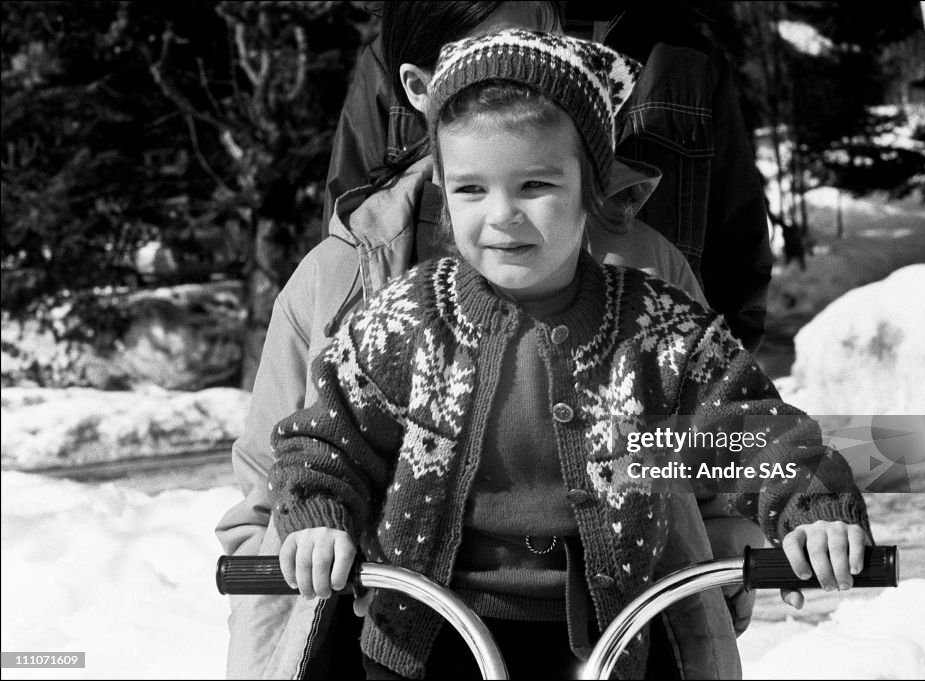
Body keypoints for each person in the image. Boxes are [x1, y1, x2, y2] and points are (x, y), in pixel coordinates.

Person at [267, 29, 872, 680]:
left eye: (535, 185)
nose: (502, 215)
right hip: (425, 634)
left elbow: (749, 428)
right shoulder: (409, 320)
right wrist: (321, 515)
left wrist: (811, 505)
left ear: (596, 187)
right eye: (471, 189)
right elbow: (330, 434)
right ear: (442, 186)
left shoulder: (656, 329)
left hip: (606, 636)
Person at [321, 2, 773, 352]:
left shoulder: (678, 51)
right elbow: (358, 233)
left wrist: (695, 421)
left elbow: (735, 252)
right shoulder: (412, 32)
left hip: (641, 377)